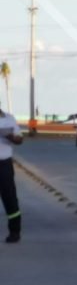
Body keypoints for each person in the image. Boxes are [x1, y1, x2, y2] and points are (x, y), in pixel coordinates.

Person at [0, 103, 23, 243]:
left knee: (10, 198)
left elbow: (20, 139)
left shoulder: (9, 119)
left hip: (4, 165)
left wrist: (12, 137)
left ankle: (15, 232)